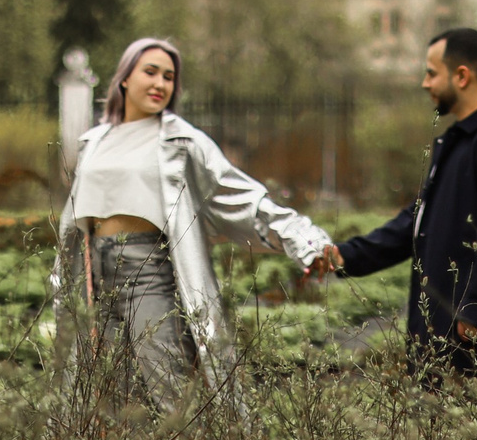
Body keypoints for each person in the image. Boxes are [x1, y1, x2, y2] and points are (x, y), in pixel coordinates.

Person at [52, 37, 339, 408]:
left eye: (169, 77)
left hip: (149, 273)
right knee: (109, 397)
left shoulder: (181, 140)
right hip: (95, 274)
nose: (160, 84)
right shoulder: (94, 140)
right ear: (124, 78)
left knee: (168, 389)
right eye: (150, 72)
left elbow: (240, 195)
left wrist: (306, 240)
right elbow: (76, 217)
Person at [334, 27, 477, 371]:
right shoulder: (459, 142)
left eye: (431, 73)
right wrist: (347, 256)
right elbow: (416, 223)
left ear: (461, 76)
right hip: (446, 343)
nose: (424, 83)